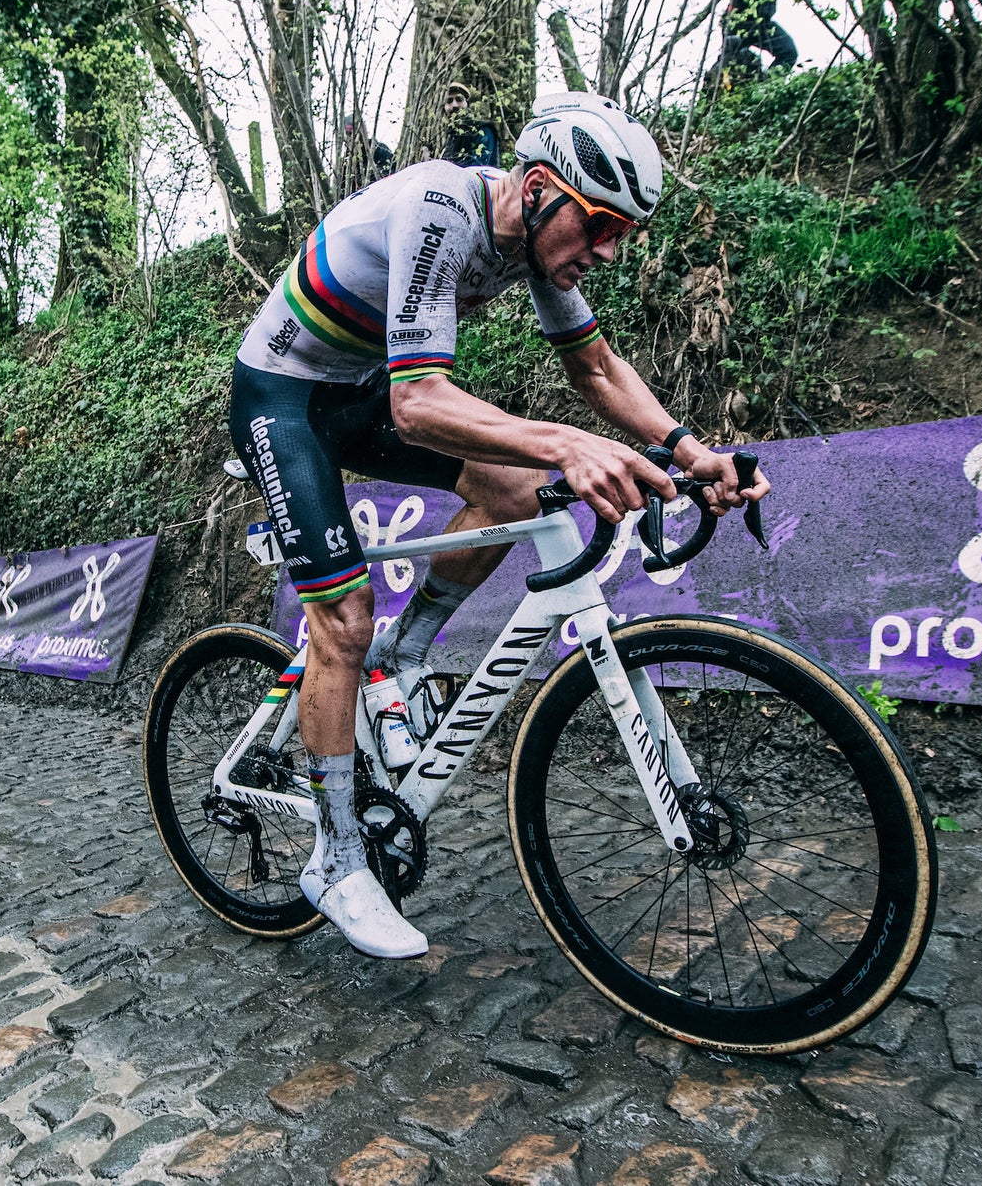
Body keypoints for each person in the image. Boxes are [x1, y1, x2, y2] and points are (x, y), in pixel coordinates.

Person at [231, 90, 771, 958]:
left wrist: (689, 450)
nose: (604, 249)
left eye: (621, 234)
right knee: (342, 619)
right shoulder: (443, 206)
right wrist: (564, 445)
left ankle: (405, 660)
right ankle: (334, 859)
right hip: (285, 396)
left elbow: (596, 367)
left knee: (518, 494)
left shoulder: (536, 250)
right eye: (597, 223)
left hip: (360, 392)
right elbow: (417, 402)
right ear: (539, 189)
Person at [440, 83, 499, 168]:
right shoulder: (451, 135)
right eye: (449, 101)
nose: (454, 105)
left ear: (467, 103)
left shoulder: (482, 131)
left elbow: (478, 168)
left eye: (459, 99)